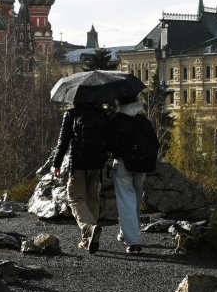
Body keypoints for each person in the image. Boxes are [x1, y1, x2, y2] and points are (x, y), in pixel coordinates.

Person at [52, 101, 111, 254]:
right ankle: (87, 240)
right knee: (93, 198)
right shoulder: (102, 114)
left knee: (75, 198)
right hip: (98, 162)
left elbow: (63, 140)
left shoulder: (72, 114)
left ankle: (89, 228)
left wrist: (56, 163)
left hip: (79, 162)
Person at [109, 95, 158, 255]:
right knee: (135, 200)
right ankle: (126, 234)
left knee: (126, 201)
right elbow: (155, 143)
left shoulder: (117, 120)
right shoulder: (143, 121)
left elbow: (111, 145)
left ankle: (134, 242)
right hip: (142, 165)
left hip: (124, 164)